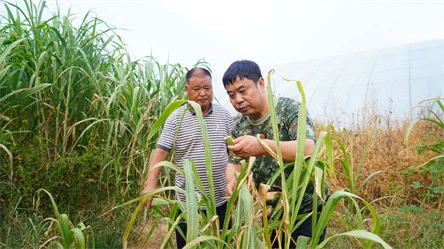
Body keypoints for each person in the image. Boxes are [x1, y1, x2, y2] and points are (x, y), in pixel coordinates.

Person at [222, 60, 329, 247]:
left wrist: (262, 146)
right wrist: (233, 181)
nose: (238, 99)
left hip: (305, 209)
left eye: (243, 91)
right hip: (271, 213)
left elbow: (307, 149)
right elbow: (234, 162)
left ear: (261, 84)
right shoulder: (240, 126)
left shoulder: (289, 110)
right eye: (231, 95)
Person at [140, 67, 234, 249]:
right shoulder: (176, 118)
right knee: (188, 245)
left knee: (224, 244)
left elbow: (234, 152)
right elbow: (161, 150)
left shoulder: (224, 116)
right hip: (187, 202)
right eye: (196, 89)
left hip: (221, 200)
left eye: (207, 88)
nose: (203, 94)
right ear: (187, 90)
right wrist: (150, 183)